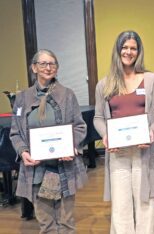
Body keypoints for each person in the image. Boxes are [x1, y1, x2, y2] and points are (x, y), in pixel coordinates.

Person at [93, 30, 154, 234]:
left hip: (144, 149)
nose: (129, 51)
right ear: (118, 50)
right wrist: (106, 136)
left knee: (146, 201)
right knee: (121, 204)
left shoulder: (152, 80)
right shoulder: (104, 84)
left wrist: (152, 132)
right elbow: (98, 118)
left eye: (133, 48)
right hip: (118, 152)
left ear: (139, 51)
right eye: (125, 47)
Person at [10, 49, 88, 233]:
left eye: (52, 63)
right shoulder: (21, 99)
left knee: (67, 224)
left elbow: (80, 126)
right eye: (43, 63)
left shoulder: (68, 95)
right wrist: (23, 152)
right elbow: (15, 133)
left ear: (57, 69)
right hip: (36, 171)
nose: (48, 67)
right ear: (34, 68)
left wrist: (71, 146)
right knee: (46, 225)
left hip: (64, 168)